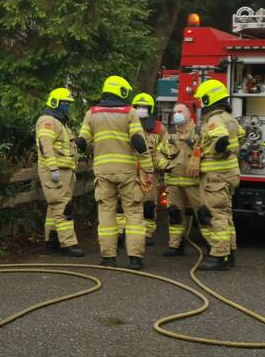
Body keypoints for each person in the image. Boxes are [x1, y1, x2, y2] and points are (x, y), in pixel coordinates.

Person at [77, 75, 154, 269]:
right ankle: (135, 258)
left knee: (106, 214)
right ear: (122, 91)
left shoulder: (91, 113)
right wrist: (148, 169)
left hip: (103, 173)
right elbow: (139, 142)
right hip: (127, 172)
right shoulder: (129, 113)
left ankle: (108, 258)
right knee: (134, 213)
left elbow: (82, 142)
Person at [190, 79, 240, 271]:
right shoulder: (230, 118)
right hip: (230, 172)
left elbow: (221, 137)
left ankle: (218, 256)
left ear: (209, 98)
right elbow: (241, 135)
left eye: (202, 99)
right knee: (226, 213)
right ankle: (230, 252)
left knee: (215, 213)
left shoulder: (215, 119)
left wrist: (218, 150)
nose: (201, 103)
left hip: (216, 174)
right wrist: (231, 152)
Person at [35, 88, 84, 257]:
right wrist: (53, 168)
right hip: (54, 170)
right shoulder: (47, 121)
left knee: (54, 207)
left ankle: (52, 240)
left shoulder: (60, 123)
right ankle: (69, 243)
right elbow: (45, 146)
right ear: (55, 102)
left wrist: (71, 169)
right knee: (63, 207)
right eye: (64, 103)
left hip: (65, 170)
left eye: (68, 103)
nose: (67, 106)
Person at [156, 103, 203, 256]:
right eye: (175, 111)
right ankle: (175, 246)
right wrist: (164, 164)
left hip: (194, 183)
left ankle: (214, 248)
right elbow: (158, 153)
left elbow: (207, 152)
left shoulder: (199, 133)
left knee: (203, 215)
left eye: (180, 111)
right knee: (174, 214)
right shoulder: (169, 135)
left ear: (189, 115)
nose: (177, 114)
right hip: (174, 182)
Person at [131, 93, 168, 246]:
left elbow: (164, 150)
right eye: (138, 106)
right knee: (126, 203)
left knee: (149, 205)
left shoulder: (159, 128)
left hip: (150, 175)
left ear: (150, 109)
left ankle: (147, 233)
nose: (141, 109)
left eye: (144, 107)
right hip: (130, 173)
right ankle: (122, 233)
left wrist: (160, 166)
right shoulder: (126, 125)